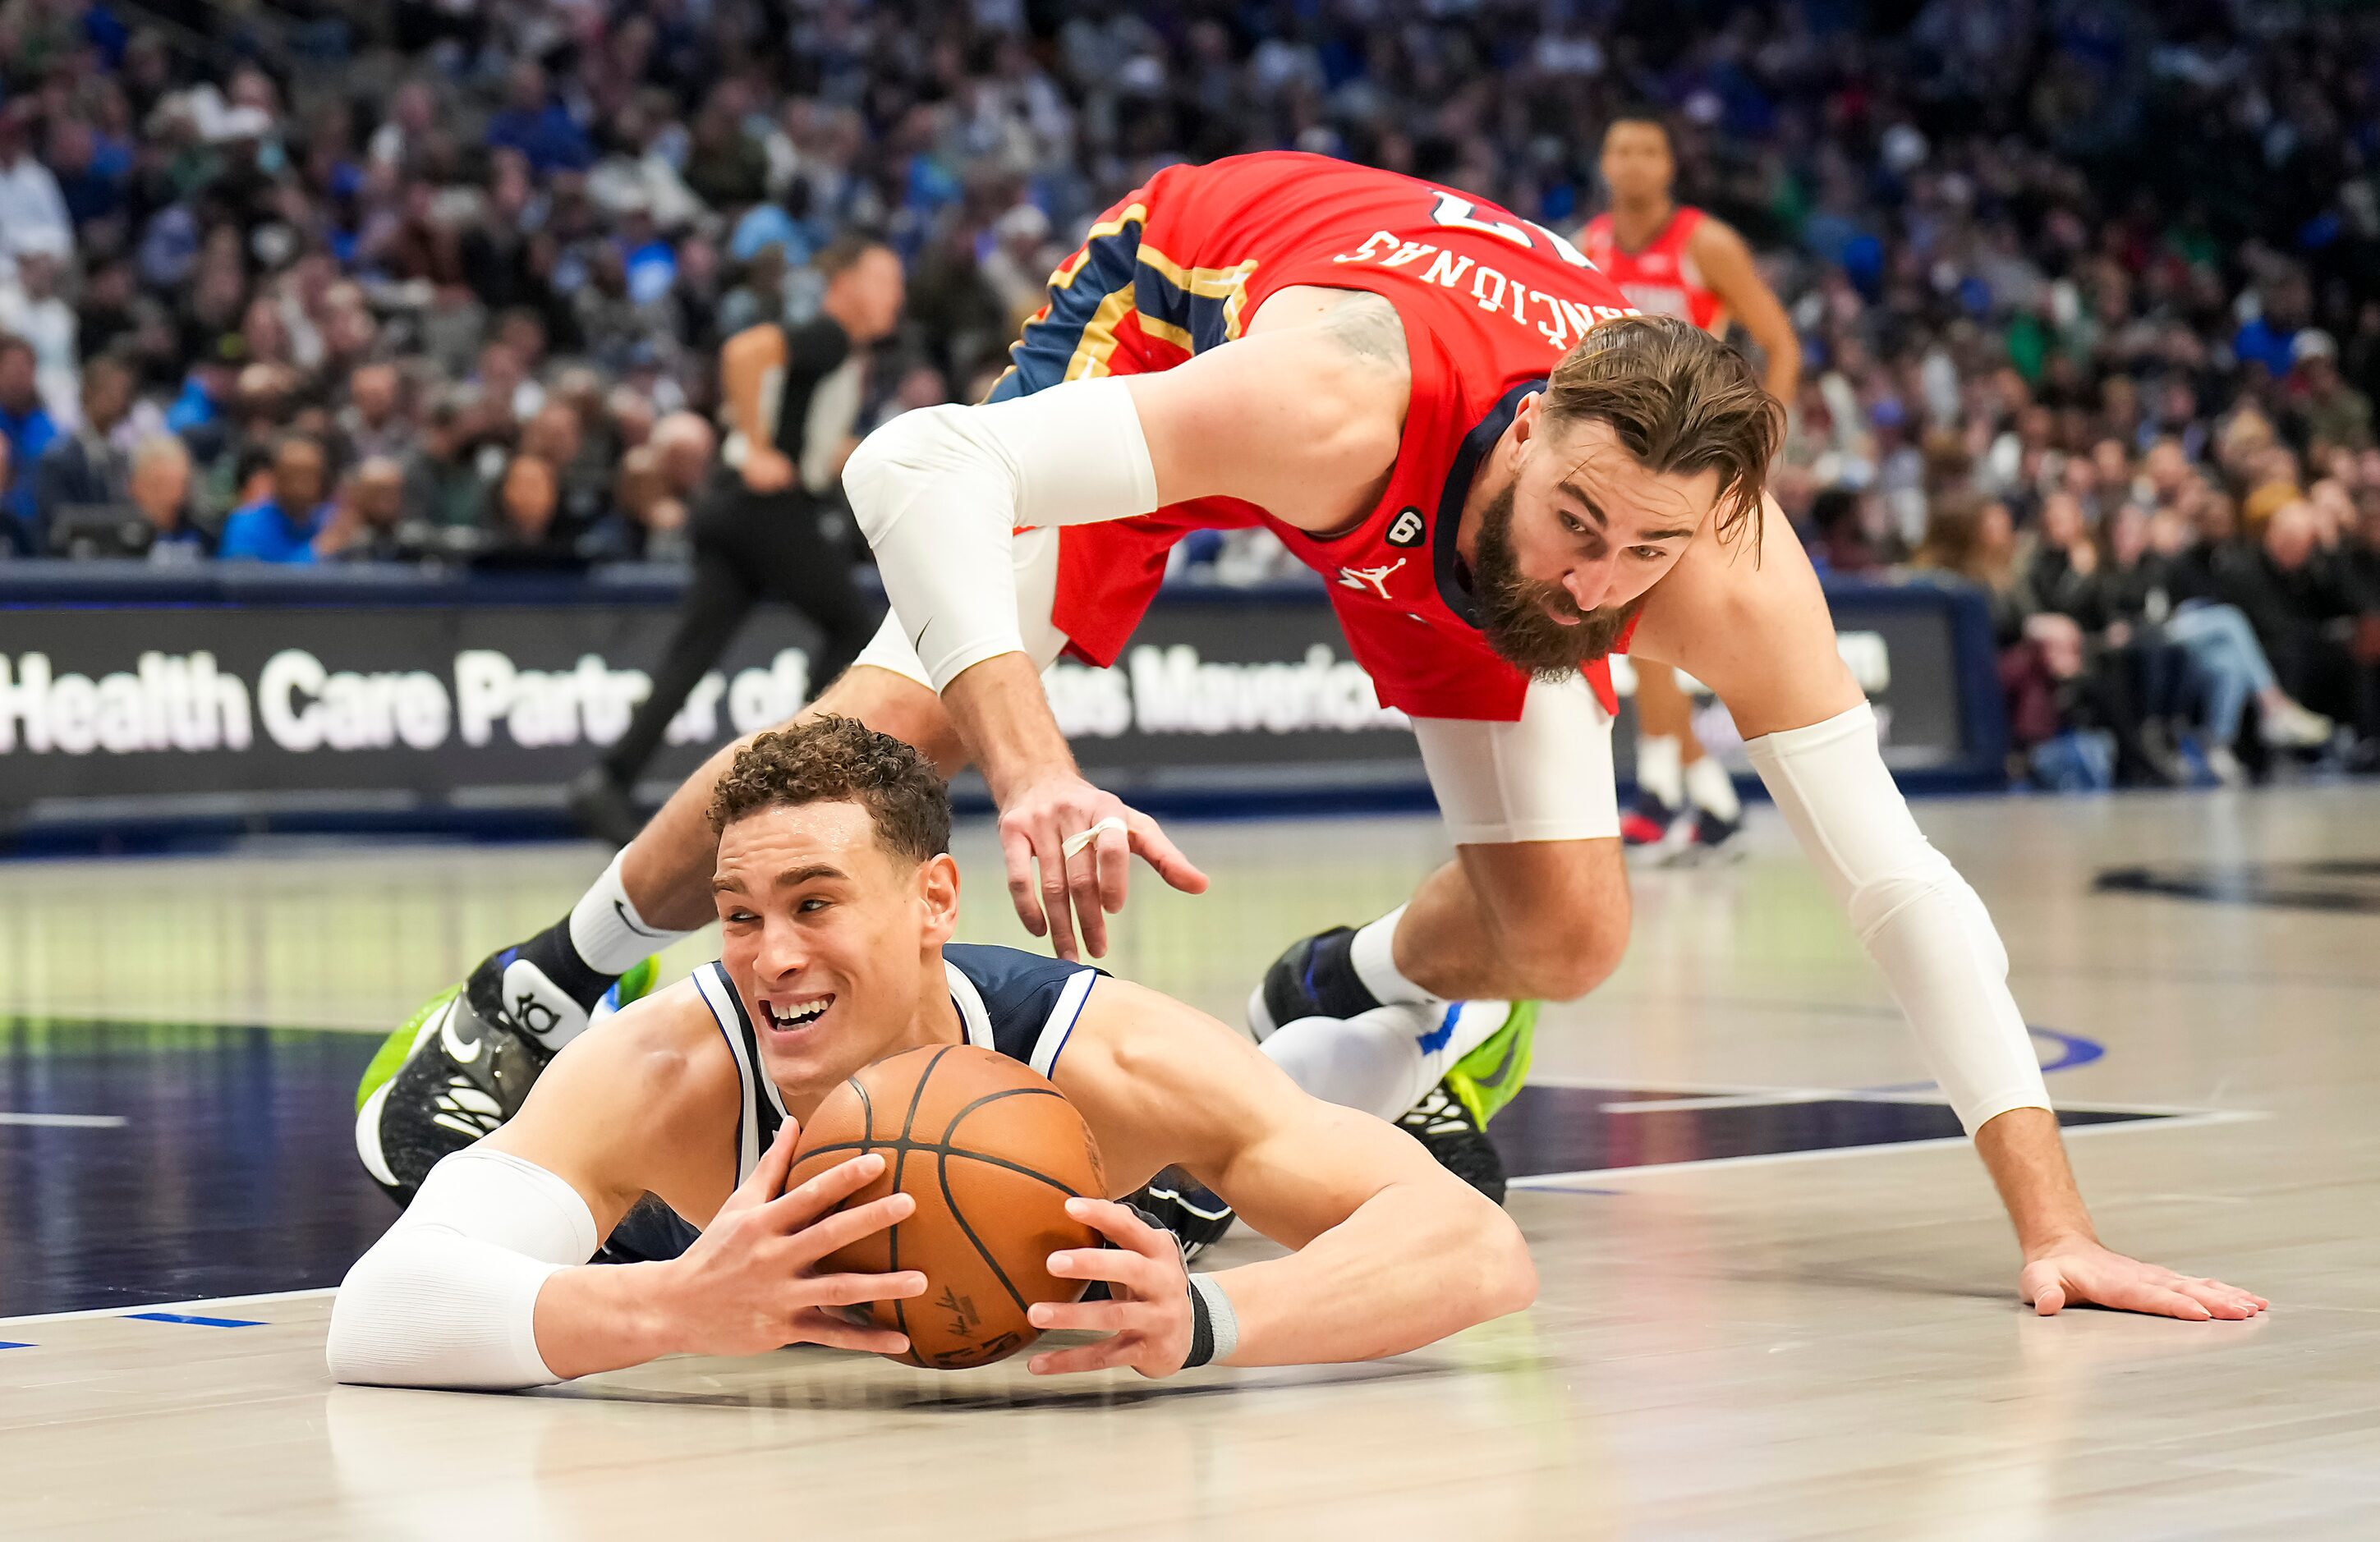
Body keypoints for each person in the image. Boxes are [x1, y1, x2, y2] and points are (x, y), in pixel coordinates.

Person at [412, 152, 2262, 1322]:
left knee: (1571, 933)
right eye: (1581, 529)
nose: (1606, 583)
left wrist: (2053, 1223)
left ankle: (1348, 980)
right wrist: (1038, 765)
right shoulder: (1332, 401)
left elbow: (1902, 882)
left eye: (1647, 560)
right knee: (881, 740)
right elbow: (907, 458)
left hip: (1420, 495)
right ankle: (548, 979)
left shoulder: (1695, 551)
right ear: (1529, 438)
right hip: (1173, 314)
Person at [333, 720, 1534, 1389]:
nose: (770, 954)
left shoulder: (1102, 1050)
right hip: (683, 1238)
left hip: (1082, 1212)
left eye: (815, 903)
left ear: (934, 899)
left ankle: (1368, 1020)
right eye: (740, 914)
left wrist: (1209, 1317)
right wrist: (674, 1305)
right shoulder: (663, 1070)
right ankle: (459, 1051)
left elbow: (1477, 1249)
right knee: (422, 1157)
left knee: (1198, 1192)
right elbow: (376, 1317)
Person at [567, 236, 904, 843]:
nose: (897, 296)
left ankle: (609, 780)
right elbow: (745, 352)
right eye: (886, 280)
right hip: (762, 508)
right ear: (847, 283)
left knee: (693, 655)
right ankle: (800, 777)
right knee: (854, 625)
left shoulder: (843, 354)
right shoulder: (827, 336)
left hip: (731, 509)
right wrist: (758, 446)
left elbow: (819, 446)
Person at [1583, 113, 1803, 856]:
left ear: (1670, 165)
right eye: (1621, 148)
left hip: (1695, 454)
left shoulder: (1706, 243)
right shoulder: (1589, 245)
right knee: (1632, 625)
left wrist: (1759, 443)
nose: (1634, 162)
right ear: (1604, 162)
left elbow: (1780, 343)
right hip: (1622, 453)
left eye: (1648, 149)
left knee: (1643, 624)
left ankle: (1665, 792)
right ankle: (1698, 796)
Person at [218, 433, 333, 563]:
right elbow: (249, 580)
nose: (301, 485)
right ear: (275, 477)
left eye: (309, 476)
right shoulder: (246, 525)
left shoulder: (330, 520)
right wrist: (318, 549)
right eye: (292, 475)